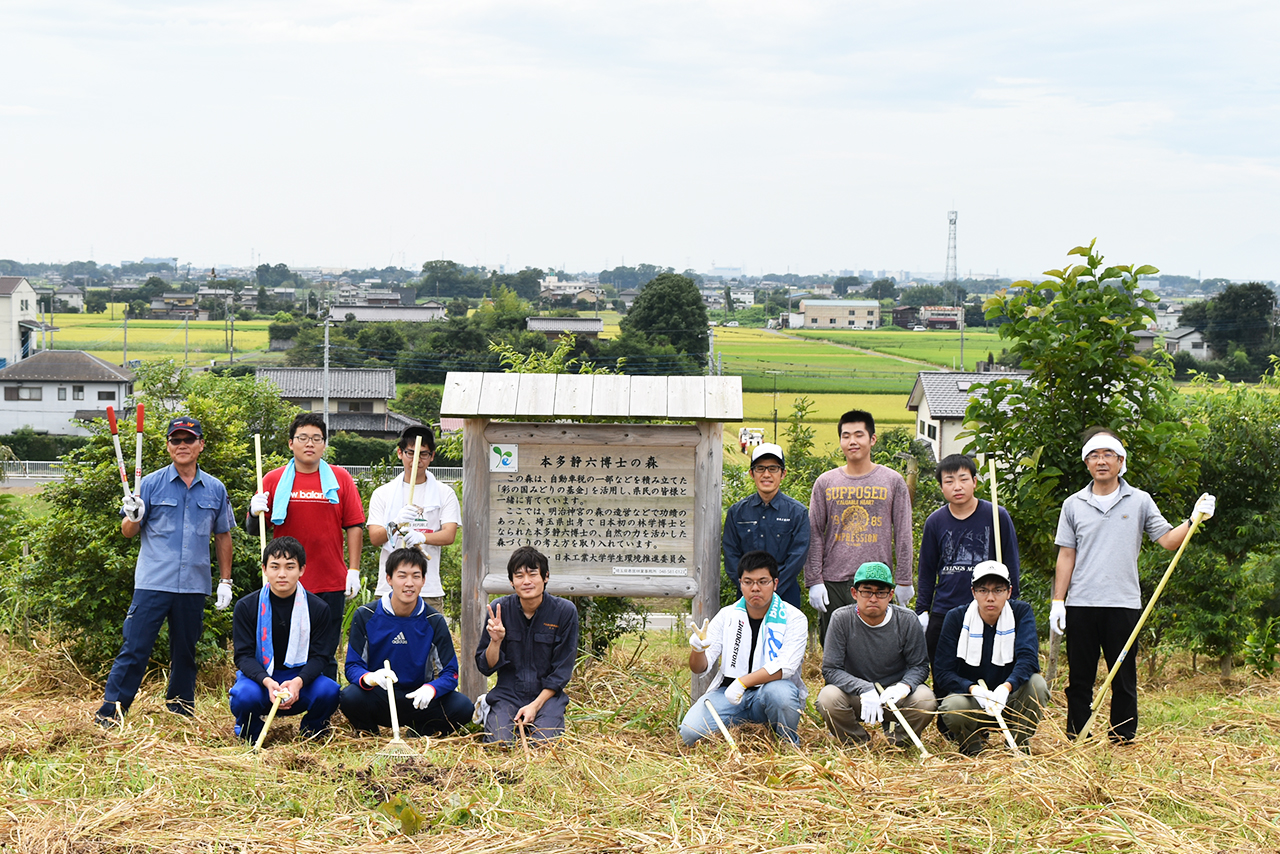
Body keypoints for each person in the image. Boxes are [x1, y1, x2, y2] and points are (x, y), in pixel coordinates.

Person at [1052, 430, 1216, 743]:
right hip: (1082, 603)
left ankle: (1123, 737)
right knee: (1079, 678)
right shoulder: (1073, 505)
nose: (1101, 461)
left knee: (1123, 676)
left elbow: (1167, 541)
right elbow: (1066, 554)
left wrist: (1194, 519)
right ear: (1086, 463)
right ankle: (1077, 736)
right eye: (1094, 456)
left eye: (1108, 455)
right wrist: (1058, 601)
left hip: (1123, 603)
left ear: (1120, 461)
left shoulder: (1139, 501)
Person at [95, 416, 234, 727]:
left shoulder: (215, 488)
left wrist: (226, 580)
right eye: (176, 440)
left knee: (185, 652)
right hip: (153, 582)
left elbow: (223, 535)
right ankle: (110, 715)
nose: (182, 445)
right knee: (135, 648)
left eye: (188, 440)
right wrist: (133, 515)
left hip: (194, 585)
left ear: (200, 445)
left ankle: (181, 713)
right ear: (168, 446)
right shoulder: (150, 484)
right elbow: (128, 531)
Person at [248, 413, 366, 680]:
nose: (309, 444)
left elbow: (355, 525)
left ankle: (323, 708)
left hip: (329, 580)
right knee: (279, 646)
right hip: (284, 581)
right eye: (303, 438)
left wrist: (354, 570)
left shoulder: (340, 479)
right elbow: (256, 530)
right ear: (291, 443)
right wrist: (253, 511)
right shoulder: (273, 480)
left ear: (324, 444)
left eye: (316, 438)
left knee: (325, 651)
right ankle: (279, 697)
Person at [679, 551, 808, 748]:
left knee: (781, 695)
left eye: (763, 581)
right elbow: (699, 668)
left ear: (775, 583)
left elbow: (787, 667)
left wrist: (742, 683)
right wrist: (697, 650)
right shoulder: (727, 615)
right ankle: (740, 722)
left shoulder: (793, 618)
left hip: (769, 691)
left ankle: (788, 744)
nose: (755, 588)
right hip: (727, 694)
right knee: (689, 733)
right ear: (740, 583)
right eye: (748, 582)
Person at [805, 410, 914, 643]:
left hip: (878, 581)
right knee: (835, 648)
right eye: (845, 436)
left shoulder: (892, 481)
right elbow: (814, 533)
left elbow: (903, 533)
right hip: (834, 581)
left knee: (879, 646)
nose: (852, 441)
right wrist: (814, 580)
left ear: (872, 439)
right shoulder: (825, 482)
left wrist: (905, 579)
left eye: (858, 435)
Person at [340, 548, 472, 736]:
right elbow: (353, 666)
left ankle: (421, 732)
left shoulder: (433, 619)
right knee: (349, 697)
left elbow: (450, 673)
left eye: (416, 576)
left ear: (423, 581)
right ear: (389, 579)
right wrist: (370, 678)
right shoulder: (366, 615)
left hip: (419, 699)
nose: (409, 583)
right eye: (402, 576)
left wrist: (431, 688)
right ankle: (368, 733)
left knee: (462, 706)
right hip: (381, 696)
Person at [228, 537, 340, 743]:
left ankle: (312, 733)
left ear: (302, 570)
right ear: (264, 569)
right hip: (261, 679)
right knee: (244, 696)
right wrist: (268, 682)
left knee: (329, 690)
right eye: (275, 566)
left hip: (300, 678)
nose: (282, 574)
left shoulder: (318, 608)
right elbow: (243, 656)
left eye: (290, 567)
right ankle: (252, 732)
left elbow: (321, 656)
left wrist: (298, 682)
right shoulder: (246, 607)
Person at [815, 562, 936, 747]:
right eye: (866, 591)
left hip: (895, 697)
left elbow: (919, 666)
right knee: (827, 698)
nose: (873, 598)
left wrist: (904, 686)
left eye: (880, 592)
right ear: (855, 593)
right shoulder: (841, 619)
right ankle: (857, 744)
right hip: (857, 696)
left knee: (925, 699)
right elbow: (831, 669)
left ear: (890, 595)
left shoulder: (907, 620)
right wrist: (864, 688)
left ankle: (897, 744)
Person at [933, 560, 1048, 754]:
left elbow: (1028, 659)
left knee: (1037, 685)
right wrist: (972, 688)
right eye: (983, 590)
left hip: (1010, 698)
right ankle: (972, 748)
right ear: (973, 592)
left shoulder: (1021, 613)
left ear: (1009, 592)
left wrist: (1006, 687)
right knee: (952, 707)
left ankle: (1017, 746)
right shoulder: (956, 618)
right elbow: (943, 671)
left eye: (998, 590)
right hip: (974, 700)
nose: (990, 597)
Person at [915, 454, 1021, 662]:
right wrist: (922, 610)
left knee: (986, 666)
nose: (957, 486)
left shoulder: (996, 516)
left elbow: (1011, 564)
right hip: (945, 608)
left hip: (987, 608)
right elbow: (927, 570)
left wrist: (1012, 602)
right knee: (943, 668)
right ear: (941, 487)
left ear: (974, 482)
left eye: (963, 479)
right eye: (949, 481)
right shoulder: (935, 522)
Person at [474, 546, 579, 743]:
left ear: (545, 577)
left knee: (542, 745)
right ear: (512, 581)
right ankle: (491, 711)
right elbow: (485, 667)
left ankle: (545, 720)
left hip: (547, 697)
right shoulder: (500, 609)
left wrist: (535, 705)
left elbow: (562, 671)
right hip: (508, 694)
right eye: (519, 576)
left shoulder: (564, 612)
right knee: (499, 745)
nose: (526, 581)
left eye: (532, 574)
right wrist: (495, 642)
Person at [366, 425, 460, 611]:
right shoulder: (383, 493)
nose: (416, 459)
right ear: (400, 453)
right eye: (411, 453)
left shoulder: (444, 493)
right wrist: (396, 524)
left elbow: (449, 535)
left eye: (423, 454)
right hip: (389, 589)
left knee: (430, 639)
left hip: (428, 589)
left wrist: (422, 537)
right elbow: (375, 538)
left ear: (432, 456)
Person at [722, 443, 810, 609]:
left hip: (785, 595)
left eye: (773, 468)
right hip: (747, 597)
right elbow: (731, 555)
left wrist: (772, 589)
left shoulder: (797, 513)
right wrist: (749, 587)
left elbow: (797, 557)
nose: (766, 474)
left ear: (783, 473)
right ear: (751, 473)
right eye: (760, 468)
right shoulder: (737, 512)